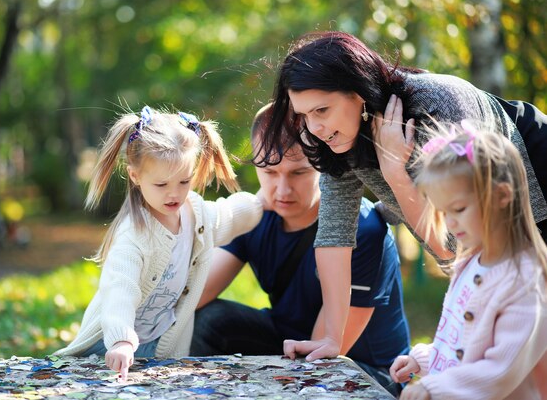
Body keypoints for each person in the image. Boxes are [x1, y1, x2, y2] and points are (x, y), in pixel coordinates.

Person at [257, 30, 547, 360]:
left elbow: (456, 246)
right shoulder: (333, 140)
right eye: (304, 115)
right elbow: (334, 237)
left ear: (358, 92)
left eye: (322, 110)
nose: (315, 128)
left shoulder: (436, 107)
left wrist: (395, 171)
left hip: (537, 179)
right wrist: (331, 339)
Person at [191, 103, 410, 396]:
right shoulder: (255, 217)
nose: (282, 190)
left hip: (363, 368)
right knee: (209, 320)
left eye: (298, 173)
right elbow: (195, 296)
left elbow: (325, 354)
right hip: (287, 342)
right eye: (269, 172)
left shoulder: (364, 228)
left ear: (323, 164)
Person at [54, 106, 263, 379]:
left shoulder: (194, 214)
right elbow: (120, 290)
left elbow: (229, 215)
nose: (174, 194)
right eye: (162, 185)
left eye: (184, 181)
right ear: (135, 176)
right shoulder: (134, 235)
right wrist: (121, 340)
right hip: (109, 350)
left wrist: (261, 202)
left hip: (159, 345)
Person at [389, 124, 547, 399]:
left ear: (502, 195)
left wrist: (433, 387)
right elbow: (461, 339)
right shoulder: (473, 261)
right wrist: (426, 360)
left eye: (459, 209)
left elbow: (500, 372)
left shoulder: (525, 282)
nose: (450, 223)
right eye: (443, 211)